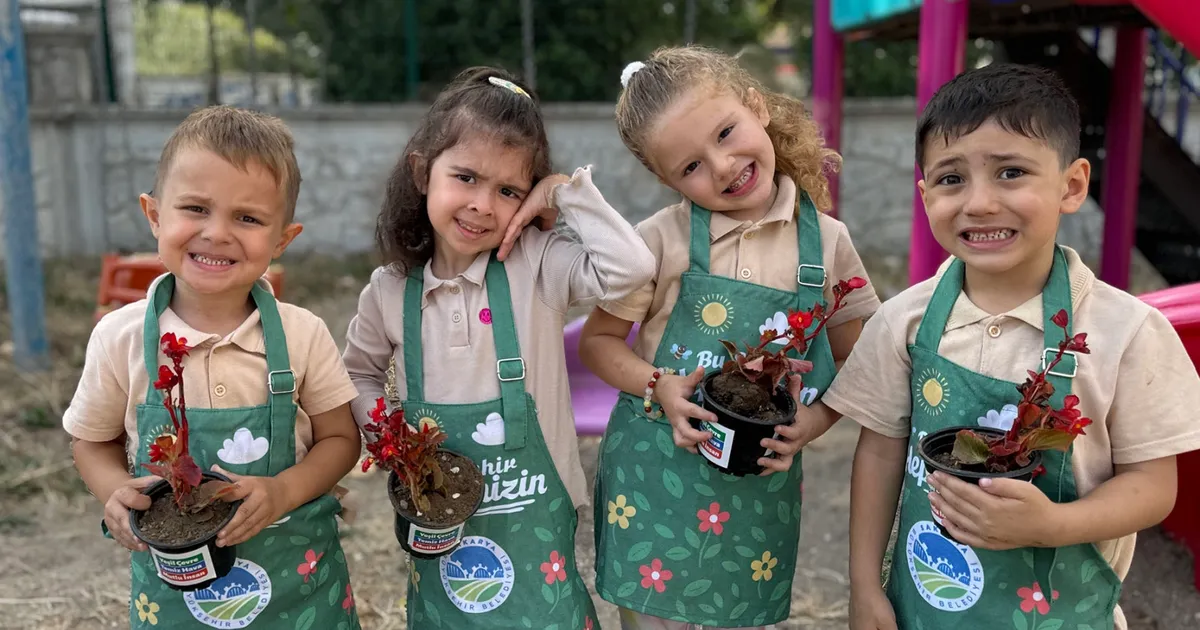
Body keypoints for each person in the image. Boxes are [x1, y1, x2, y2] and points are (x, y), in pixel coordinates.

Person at [809, 63, 1200, 630]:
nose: (980, 203)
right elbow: (879, 453)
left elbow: (1154, 486)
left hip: (1064, 613)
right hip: (924, 604)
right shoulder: (903, 321)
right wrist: (865, 586)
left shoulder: (1130, 332)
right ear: (924, 196)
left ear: (1072, 185)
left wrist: (1049, 526)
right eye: (951, 179)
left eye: (1010, 172)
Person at [340, 66, 655, 629]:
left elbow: (630, 269)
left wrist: (564, 192)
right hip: (437, 515)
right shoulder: (388, 290)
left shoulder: (538, 265)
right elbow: (357, 375)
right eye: (465, 177)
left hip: (534, 519)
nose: (483, 205)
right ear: (422, 172)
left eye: (508, 190)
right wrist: (387, 433)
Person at [578, 45, 881, 629]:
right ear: (664, 178)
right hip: (652, 481)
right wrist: (658, 385)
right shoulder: (656, 241)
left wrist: (813, 425)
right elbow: (598, 343)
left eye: (725, 132)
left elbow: (861, 364)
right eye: (689, 166)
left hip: (755, 487)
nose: (720, 166)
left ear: (756, 106)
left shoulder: (829, 243)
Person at [64, 105, 364, 628]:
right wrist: (114, 489)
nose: (217, 233)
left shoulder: (302, 334)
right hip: (175, 595)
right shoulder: (121, 338)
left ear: (281, 241)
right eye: (196, 209)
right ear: (155, 216)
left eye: (247, 218)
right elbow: (92, 441)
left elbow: (341, 439)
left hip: (302, 591)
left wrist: (283, 491)